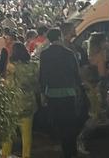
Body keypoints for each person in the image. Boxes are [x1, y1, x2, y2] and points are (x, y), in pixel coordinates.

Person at [39, 28, 82, 158]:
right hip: (69, 94)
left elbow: (43, 75)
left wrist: (43, 92)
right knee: (70, 124)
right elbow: (76, 73)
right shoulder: (69, 53)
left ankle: (64, 148)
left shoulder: (44, 54)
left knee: (59, 124)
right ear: (59, 37)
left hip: (52, 94)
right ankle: (71, 152)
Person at [1, 42, 38, 158]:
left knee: (8, 135)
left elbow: (8, 85)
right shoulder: (33, 66)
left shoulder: (11, 67)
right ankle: (26, 156)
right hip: (28, 104)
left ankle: (5, 155)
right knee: (26, 136)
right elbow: (36, 84)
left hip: (12, 104)